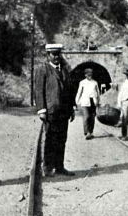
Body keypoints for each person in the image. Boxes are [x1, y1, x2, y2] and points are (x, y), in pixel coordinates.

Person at [35, 44, 76, 177]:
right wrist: (41, 109)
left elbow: (70, 91)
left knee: (62, 139)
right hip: (51, 110)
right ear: (48, 55)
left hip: (64, 111)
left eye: (58, 54)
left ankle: (59, 166)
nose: (56, 56)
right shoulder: (43, 69)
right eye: (53, 54)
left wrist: (72, 108)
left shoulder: (65, 70)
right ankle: (47, 167)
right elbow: (39, 90)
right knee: (50, 139)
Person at [75, 68, 100, 140]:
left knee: (92, 117)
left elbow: (98, 93)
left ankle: (90, 132)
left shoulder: (95, 83)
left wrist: (98, 102)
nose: (90, 76)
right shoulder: (82, 83)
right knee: (86, 117)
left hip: (93, 101)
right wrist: (77, 102)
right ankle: (86, 132)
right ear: (85, 75)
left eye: (91, 75)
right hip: (85, 101)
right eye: (88, 75)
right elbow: (79, 92)